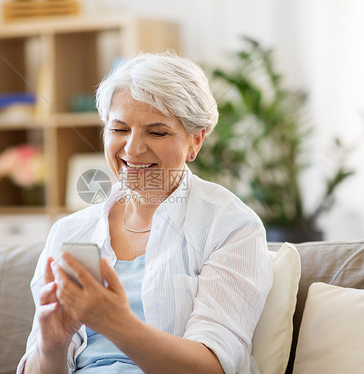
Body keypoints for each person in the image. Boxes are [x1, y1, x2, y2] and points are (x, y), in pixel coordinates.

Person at [17, 52, 273, 374]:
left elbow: (213, 366)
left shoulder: (229, 226)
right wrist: (51, 348)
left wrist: (117, 323)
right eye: (120, 129)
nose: (133, 148)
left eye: (157, 132)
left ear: (196, 140)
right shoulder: (70, 233)